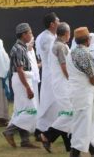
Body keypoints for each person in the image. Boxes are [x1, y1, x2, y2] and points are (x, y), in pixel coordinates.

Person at [67, 27, 94, 157]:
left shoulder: (71, 52)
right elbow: (92, 77)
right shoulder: (84, 54)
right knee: (82, 124)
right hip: (84, 94)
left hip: (76, 93)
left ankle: (93, 150)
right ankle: (74, 153)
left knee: (83, 123)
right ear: (88, 40)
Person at [2, 23, 39, 149]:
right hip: (22, 80)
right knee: (31, 110)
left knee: (23, 109)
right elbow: (20, 70)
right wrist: (28, 88)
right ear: (24, 34)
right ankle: (9, 131)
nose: (31, 35)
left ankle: (25, 141)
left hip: (22, 79)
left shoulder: (22, 47)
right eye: (30, 33)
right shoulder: (18, 48)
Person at [40, 22, 72, 153]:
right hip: (63, 84)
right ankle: (47, 135)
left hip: (59, 83)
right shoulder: (60, 46)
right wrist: (72, 80)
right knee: (70, 113)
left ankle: (69, 146)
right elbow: (64, 66)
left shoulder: (58, 45)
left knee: (66, 113)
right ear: (66, 33)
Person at [36, 12, 60, 136]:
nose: (59, 23)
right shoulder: (48, 38)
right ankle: (42, 129)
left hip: (51, 72)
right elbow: (54, 56)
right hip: (51, 73)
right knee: (51, 100)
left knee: (53, 101)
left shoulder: (49, 36)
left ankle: (46, 129)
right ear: (52, 24)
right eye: (58, 21)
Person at [27, 37, 40, 109]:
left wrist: (42, 64)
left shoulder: (32, 50)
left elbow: (34, 65)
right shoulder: (24, 51)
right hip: (29, 78)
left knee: (35, 98)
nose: (32, 45)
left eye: (33, 43)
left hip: (34, 78)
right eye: (31, 43)